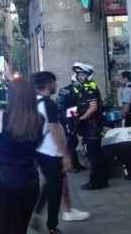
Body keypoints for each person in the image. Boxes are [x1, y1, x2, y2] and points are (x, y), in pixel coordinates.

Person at [0, 60, 44, 233]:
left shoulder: (2, 119)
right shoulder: (39, 121)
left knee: (7, 227)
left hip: (6, 184)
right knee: (21, 227)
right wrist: (12, 77)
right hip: (30, 183)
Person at [30, 72, 90, 233]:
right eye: (53, 82)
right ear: (48, 84)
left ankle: (36, 213)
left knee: (51, 184)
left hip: (40, 151)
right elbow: (54, 129)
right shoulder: (48, 104)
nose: (55, 85)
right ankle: (52, 226)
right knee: (55, 190)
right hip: (51, 152)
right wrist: (65, 156)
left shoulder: (34, 102)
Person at [72, 63, 109, 190]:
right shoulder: (84, 88)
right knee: (96, 153)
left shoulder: (89, 88)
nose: (80, 76)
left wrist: (82, 119)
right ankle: (102, 180)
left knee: (93, 154)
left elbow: (93, 108)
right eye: (78, 74)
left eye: (82, 74)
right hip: (90, 125)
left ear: (88, 75)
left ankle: (96, 182)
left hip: (92, 126)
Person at [57, 78, 85, 171]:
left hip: (67, 117)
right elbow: (66, 106)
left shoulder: (65, 90)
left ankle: (75, 164)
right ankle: (73, 165)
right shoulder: (72, 90)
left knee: (72, 140)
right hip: (68, 118)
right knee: (71, 141)